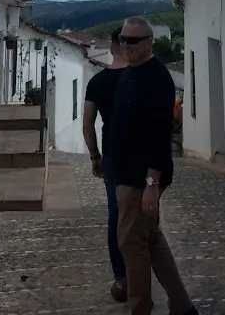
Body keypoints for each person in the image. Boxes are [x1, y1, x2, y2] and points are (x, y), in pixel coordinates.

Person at [110, 17, 197, 315]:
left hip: (140, 179)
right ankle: (182, 306)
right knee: (151, 240)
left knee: (131, 245)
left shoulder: (157, 79)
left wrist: (151, 184)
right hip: (127, 174)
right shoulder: (132, 72)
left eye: (132, 41)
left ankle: (140, 308)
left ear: (148, 42)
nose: (125, 45)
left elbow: (159, 136)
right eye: (123, 39)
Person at [83, 26, 129, 303]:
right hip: (142, 159)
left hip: (111, 157)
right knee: (145, 218)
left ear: (111, 47)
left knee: (116, 216)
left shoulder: (97, 83)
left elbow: (88, 125)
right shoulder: (140, 78)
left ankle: (122, 279)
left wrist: (94, 156)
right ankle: (143, 277)